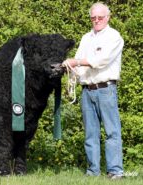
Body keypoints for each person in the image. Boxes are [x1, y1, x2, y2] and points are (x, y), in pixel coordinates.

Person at [63, 2, 124, 179]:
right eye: (93, 17)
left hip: (106, 89)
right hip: (87, 91)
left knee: (112, 132)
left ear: (108, 17)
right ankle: (93, 172)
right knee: (90, 133)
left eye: (100, 17)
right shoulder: (86, 38)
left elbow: (101, 60)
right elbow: (79, 64)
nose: (96, 20)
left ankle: (115, 171)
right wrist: (71, 78)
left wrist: (76, 62)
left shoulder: (114, 36)